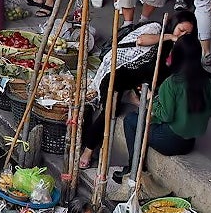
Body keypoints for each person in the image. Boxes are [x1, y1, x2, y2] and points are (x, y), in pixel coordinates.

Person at [79, 10, 197, 171]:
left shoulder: (179, 50)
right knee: (111, 110)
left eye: (187, 34)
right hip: (117, 72)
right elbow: (141, 41)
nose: (182, 35)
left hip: (138, 80)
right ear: (173, 25)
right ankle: (88, 150)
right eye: (180, 30)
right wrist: (170, 36)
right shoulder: (156, 29)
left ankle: (134, 95)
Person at [121, 33, 211, 157]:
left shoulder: (172, 83)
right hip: (190, 141)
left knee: (130, 120)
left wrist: (152, 98)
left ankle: (132, 167)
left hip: (169, 142)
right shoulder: (210, 80)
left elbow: (166, 116)